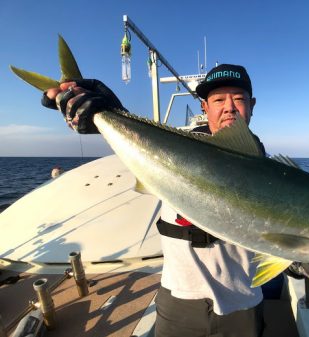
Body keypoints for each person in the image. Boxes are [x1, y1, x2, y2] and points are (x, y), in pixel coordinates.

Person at [42, 64, 266, 337]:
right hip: (178, 298)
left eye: (239, 98)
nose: (229, 107)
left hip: (242, 302)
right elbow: (147, 142)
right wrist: (106, 112)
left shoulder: (269, 173)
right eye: (219, 100)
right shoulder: (178, 146)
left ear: (252, 105)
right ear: (205, 108)